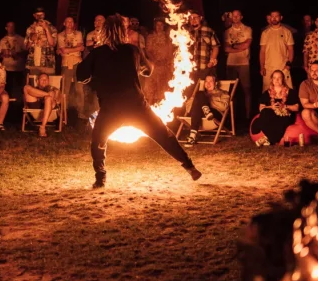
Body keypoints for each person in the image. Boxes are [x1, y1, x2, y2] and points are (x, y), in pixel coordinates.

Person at [75, 15, 201, 188]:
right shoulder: (132, 50)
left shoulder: (97, 53)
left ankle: (100, 177)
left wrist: (96, 75)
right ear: (122, 32)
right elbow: (148, 71)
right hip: (136, 106)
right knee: (164, 135)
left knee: (98, 141)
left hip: (111, 109)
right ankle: (190, 167)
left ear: (104, 32)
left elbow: (81, 76)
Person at [250, 70, 300, 146]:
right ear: (272, 80)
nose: (277, 80)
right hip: (271, 115)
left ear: (283, 79)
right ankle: (271, 138)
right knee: (265, 113)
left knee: (282, 119)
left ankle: (267, 138)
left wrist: (285, 106)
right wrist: (271, 107)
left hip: (284, 115)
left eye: (279, 78)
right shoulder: (267, 93)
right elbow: (261, 108)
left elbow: (296, 107)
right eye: (274, 78)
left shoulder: (291, 92)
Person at [184, 73, 231, 147]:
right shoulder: (198, 95)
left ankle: (192, 136)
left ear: (215, 83)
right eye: (206, 81)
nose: (208, 83)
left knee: (201, 95)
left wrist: (208, 99)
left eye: (211, 81)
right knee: (200, 94)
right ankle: (205, 110)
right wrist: (199, 101)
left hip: (214, 115)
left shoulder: (223, 93)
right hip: (201, 114)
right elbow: (188, 109)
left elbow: (224, 107)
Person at [223, 10, 253, 118]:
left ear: (241, 17)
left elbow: (246, 45)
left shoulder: (247, 29)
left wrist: (233, 47)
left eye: (237, 16)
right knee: (231, 92)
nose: (235, 18)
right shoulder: (227, 32)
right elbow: (226, 48)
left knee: (246, 89)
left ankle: (248, 116)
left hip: (244, 62)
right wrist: (239, 47)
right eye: (233, 16)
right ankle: (232, 117)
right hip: (230, 63)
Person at [57, 17, 85, 119]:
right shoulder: (60, 35)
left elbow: (81, 48)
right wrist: (75, 48)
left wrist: (68, 50)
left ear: (73, 24)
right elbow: (63, 50)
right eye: (67, 21)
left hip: (77, 62)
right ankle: (64, 111)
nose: (69, 23)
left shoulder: (78, 34)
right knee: (65, 89)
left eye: (71, 21)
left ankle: (80, 111)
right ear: (64, 23)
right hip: (66, 63)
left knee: (79, 88)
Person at [142, 18, 174, 107]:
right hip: (154, 67)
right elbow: (148, 51)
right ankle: (150, 109)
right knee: (152, 90)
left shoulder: (168, 37)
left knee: (164, 90)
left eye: (161, 25)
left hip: (165, 67)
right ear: (155, 26)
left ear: (164, 26)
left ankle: (163, 108)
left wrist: (169, 62)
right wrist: (155, 61)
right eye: (157, 25)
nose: (159, 27)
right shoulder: (150, 37)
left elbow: (170, 51)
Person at [260, 10, 293, 91]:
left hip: (283, 67)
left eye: (276, 16)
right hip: (268, 68)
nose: (274, 18)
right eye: (272, 16)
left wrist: (288, 64)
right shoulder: (265, 33)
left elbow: (291, 49)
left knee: (287, 90)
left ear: (281, 18)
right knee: (267, 91)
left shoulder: (287, 32)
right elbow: (262, 51)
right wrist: (262, 67)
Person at [23, 72, 61, 137]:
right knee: (26, 87)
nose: (44, 81)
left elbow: (58, 100)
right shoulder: (34, 88)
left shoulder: (52, 88)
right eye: (42, 79)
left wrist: (55, 95)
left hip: (49, 108)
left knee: (49, 97)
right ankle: (47, 95)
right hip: (35, 106)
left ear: (48, 81)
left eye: (46, 79)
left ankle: (42, 127)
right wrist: (48, 94)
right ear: (37, 81)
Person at [186, 13, 219, 81]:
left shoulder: (208, 31)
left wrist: (212, 61)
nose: (193, 20)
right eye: (191, 18)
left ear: (200, 18)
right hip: (190, 69)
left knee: (204, 89)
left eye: (196, 17)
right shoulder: (186, 32)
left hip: (205, 68)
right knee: (192, 90)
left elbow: (215, 47)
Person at [0, 21, 27, 98]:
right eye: (9, 26)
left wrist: (16, 54)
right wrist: (4, 54)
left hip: (19, 68)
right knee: (8, 88)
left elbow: (26, 52)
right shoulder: (3, 40)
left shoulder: (21, 39)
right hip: (7, 68)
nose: (11, 28)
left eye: (12, 26)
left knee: (20, 89)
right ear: (6, 28)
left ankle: (20, 104)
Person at [26, 7, 58, 74]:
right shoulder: (30, 29)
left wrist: (46, 29)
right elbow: (26, 47)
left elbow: (53, 44)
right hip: (33, 64)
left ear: (44, 15)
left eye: (41, 15)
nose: (40, 17)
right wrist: (31, 39)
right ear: (34, 16)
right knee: (33, 83)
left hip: (47, 63)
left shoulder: (51, 28)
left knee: (48, 83)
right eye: (38, 15)